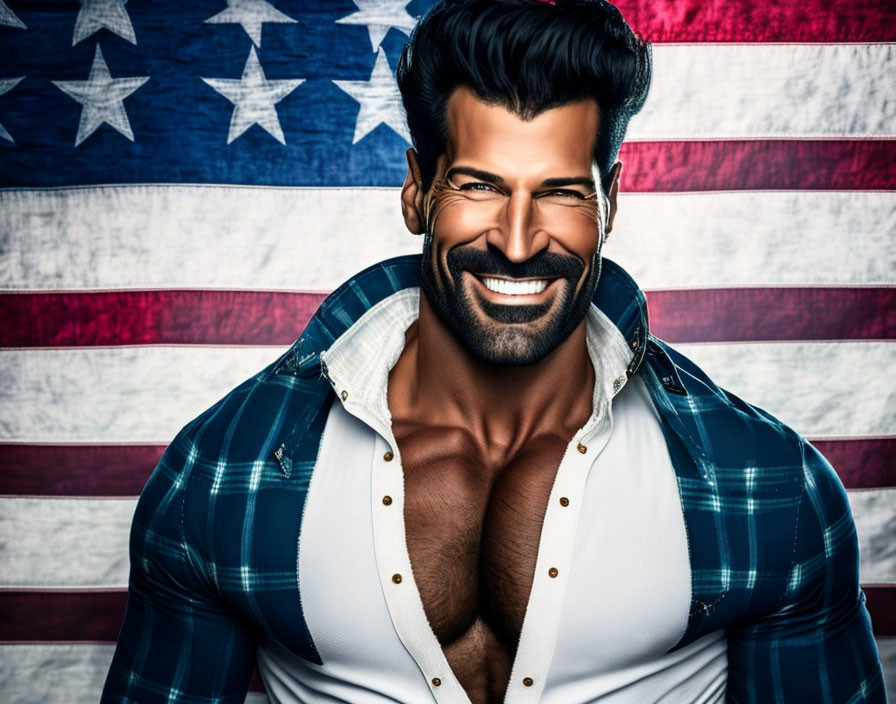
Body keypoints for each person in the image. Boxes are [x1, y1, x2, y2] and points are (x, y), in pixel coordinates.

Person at [102, 0, 885, 702]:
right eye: (478, 186)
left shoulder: (771, 489)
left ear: (610, 200)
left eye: (561, 192)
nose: (517, 242)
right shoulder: (220, 474)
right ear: (418, 190)